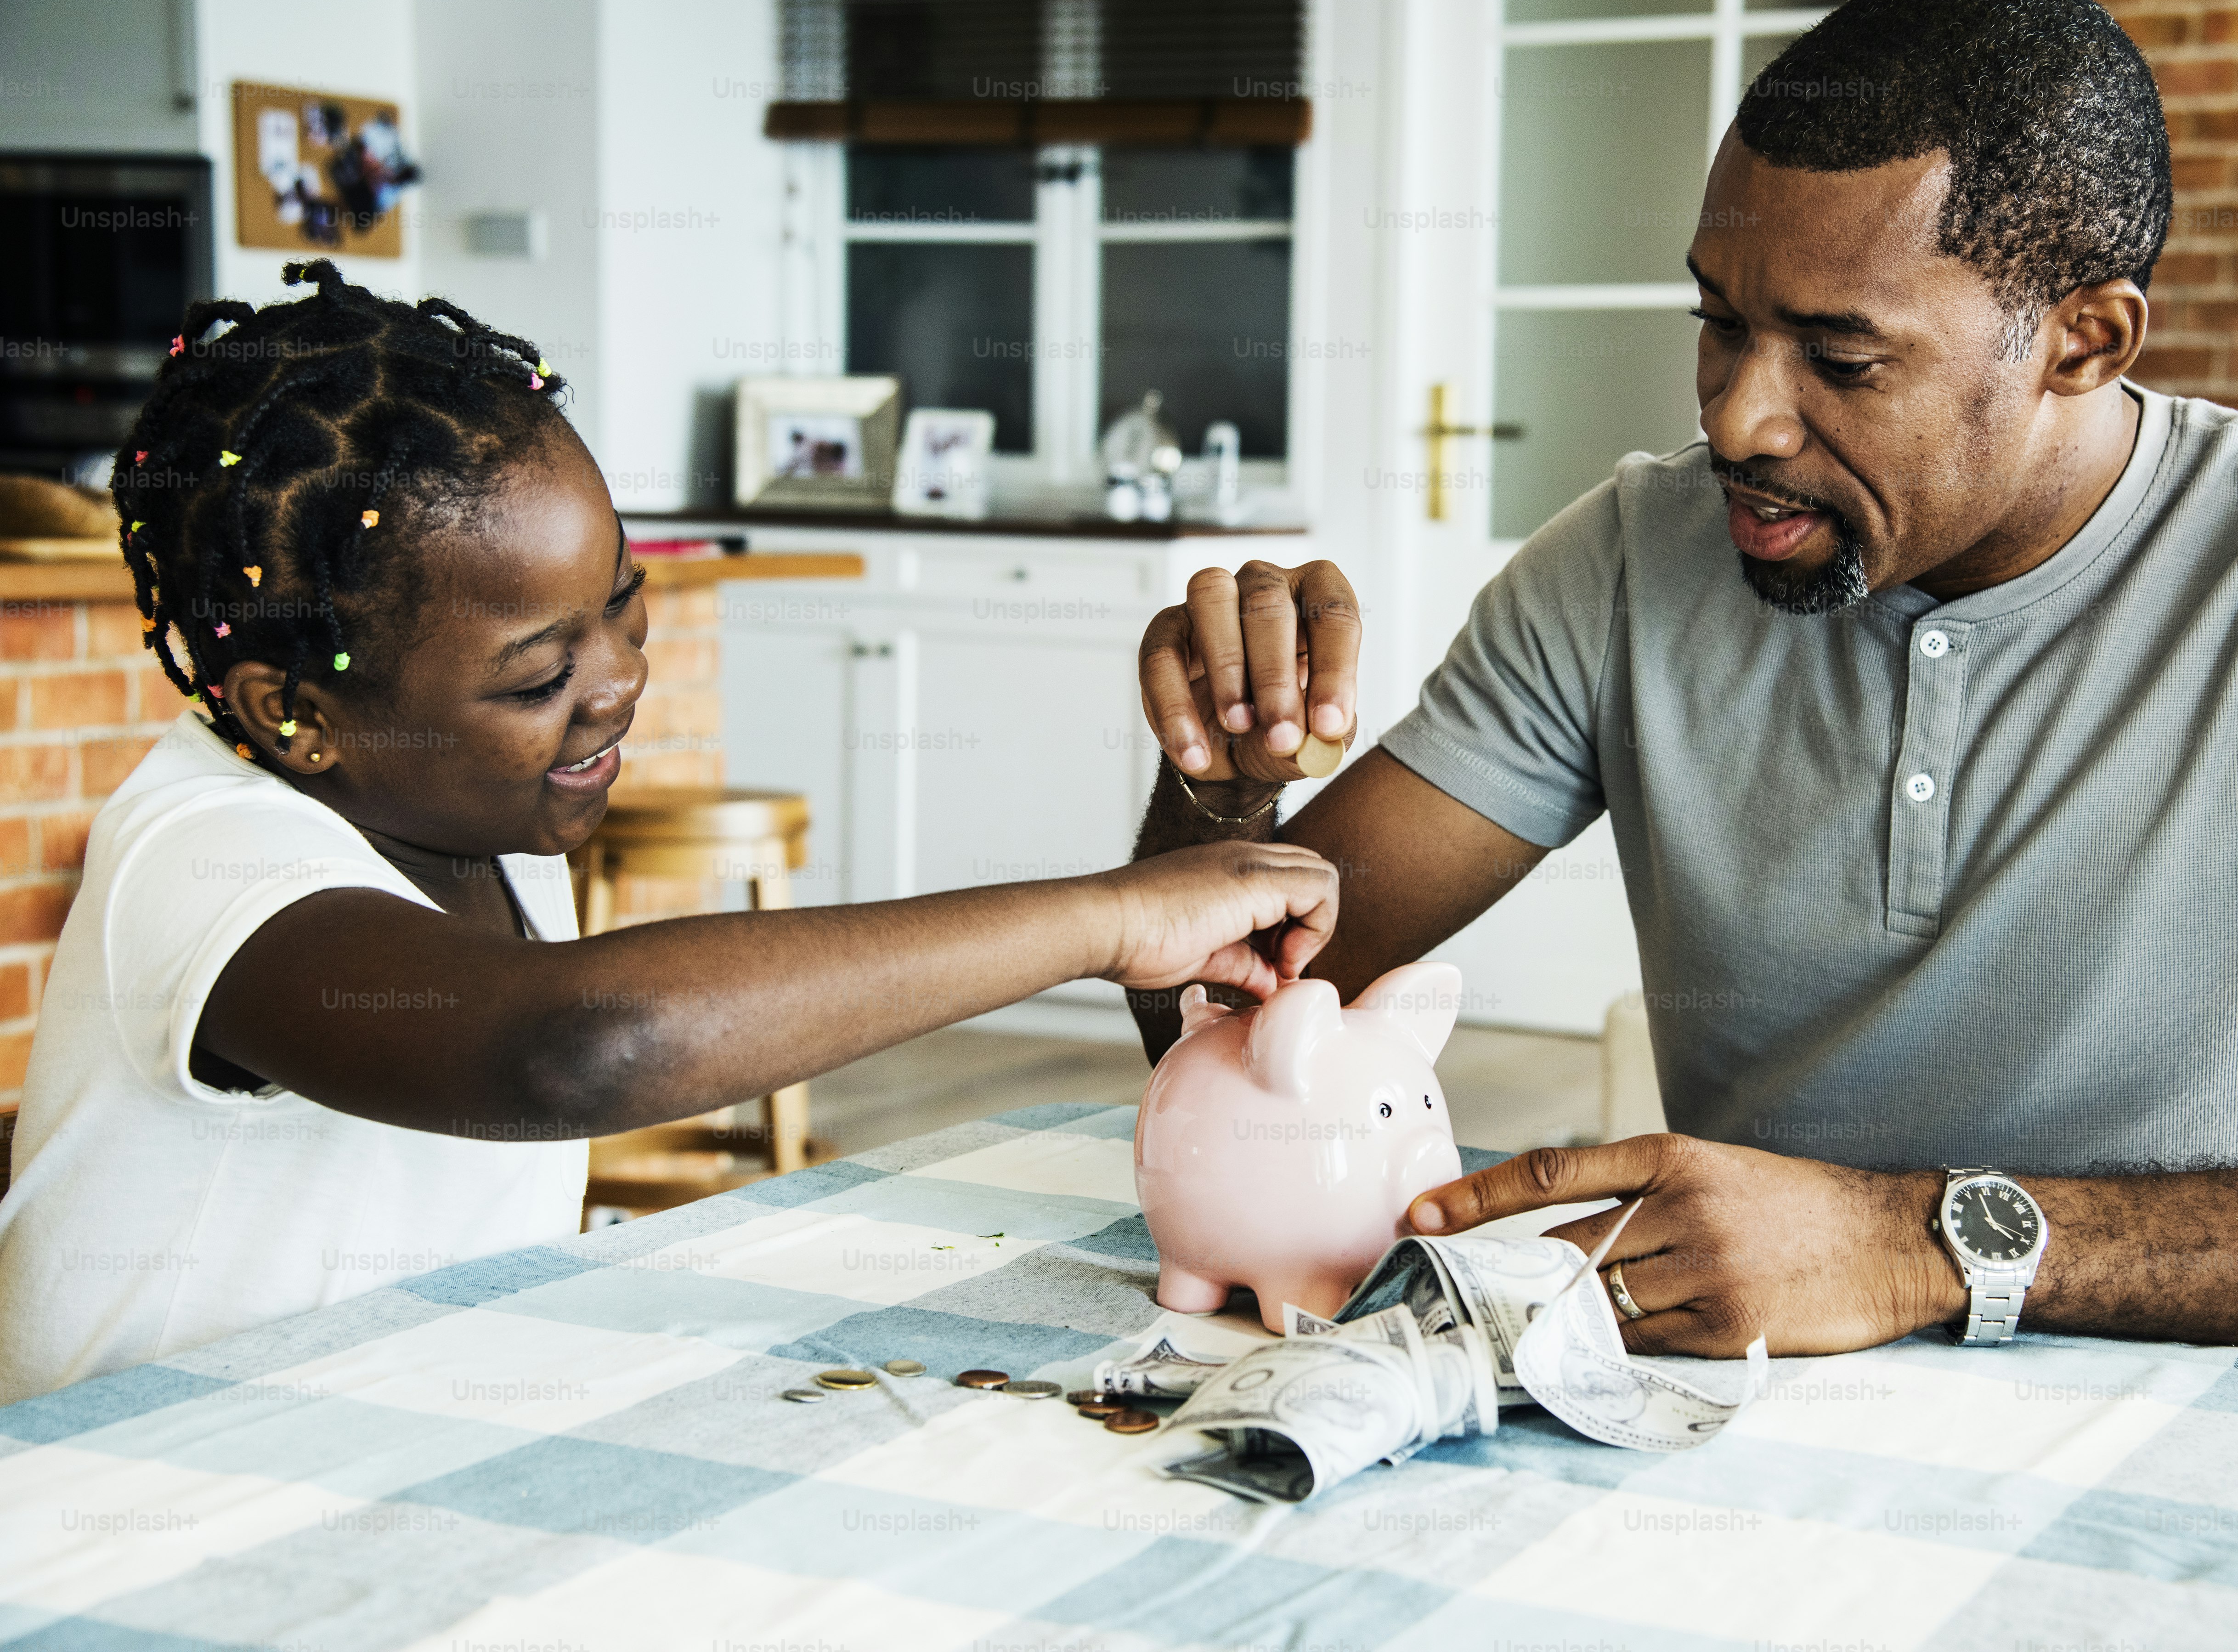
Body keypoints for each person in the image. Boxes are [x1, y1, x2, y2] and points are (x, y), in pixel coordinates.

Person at [1130, 0, 2238, 1356]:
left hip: (2200, 1404)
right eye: (1719, 324)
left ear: (2083, 342)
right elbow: (1221, 1023)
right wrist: (1223, 790)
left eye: (1841, 362)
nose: (1739, 420)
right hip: (1735, 1411)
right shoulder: (1628, 558)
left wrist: (1920, 1246)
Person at [0, 261, 1339, 1404]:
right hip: (136, 1491)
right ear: (297, 715)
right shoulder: (203, 857)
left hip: (386, 1437)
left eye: (625, 606)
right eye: (537, 676)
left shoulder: (472, 815)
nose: (620, 677)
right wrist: (1104, 919)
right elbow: (578, 1045)